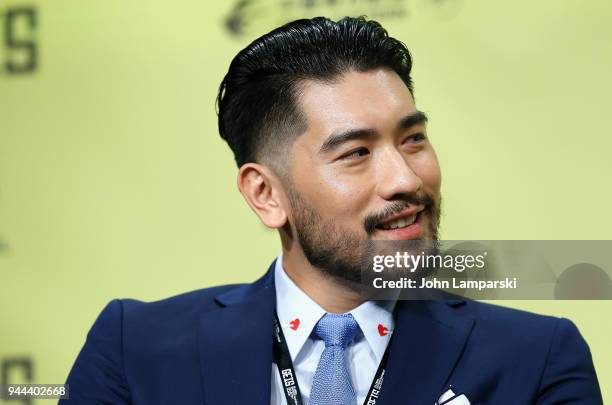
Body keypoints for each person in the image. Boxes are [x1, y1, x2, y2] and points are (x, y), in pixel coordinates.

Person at [61, 16, 603, 405]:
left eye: (413, 139)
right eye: (356, 153)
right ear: (265, 195)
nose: (407, 179)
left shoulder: (538, 358)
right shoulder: (135, 347)